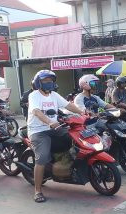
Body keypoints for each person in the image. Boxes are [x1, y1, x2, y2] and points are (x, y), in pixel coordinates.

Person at [28, 70, 84, 203]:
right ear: (38, 83)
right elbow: (36, 111)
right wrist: (49, 122)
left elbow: (68, 105)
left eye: (51, 81)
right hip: (38, 131)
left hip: (55, 127)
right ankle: (37, 190)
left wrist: (83, 112)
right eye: (46, 81)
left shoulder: (54, 95)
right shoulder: (34, 96)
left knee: (75, 138)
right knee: (42, 158)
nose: (49, 83)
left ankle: (63, 165)